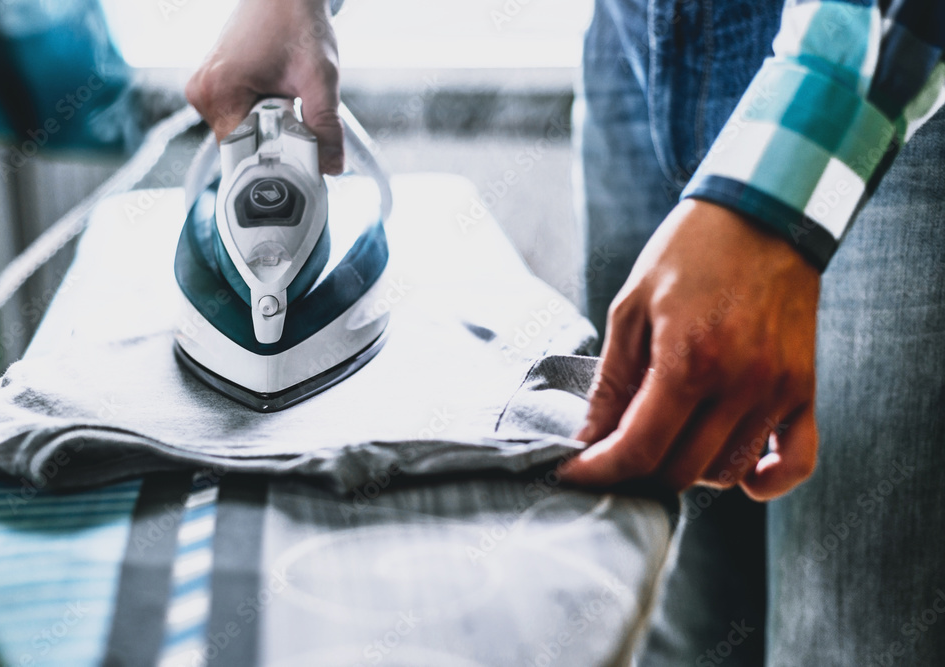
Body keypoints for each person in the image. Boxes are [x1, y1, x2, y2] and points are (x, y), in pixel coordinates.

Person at [186, 0, 945, 663]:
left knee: (844, 633)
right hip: (641, 36)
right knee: (672, 597)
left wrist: (775, 198)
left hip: (885, 73)